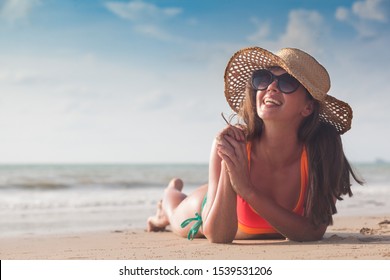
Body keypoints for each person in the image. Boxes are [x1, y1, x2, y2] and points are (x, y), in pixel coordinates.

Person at [147, 46, 363, 243]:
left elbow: (313, 232)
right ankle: (168, 197)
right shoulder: (232, 142)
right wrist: (229, 168)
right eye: (263, 78)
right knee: (174, 208)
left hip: (240, 188)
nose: (271, 87)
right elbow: (218, 236)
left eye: (287, 82)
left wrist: (247, 190)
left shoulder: (323, 149)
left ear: (307, 107)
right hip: (205, 209)